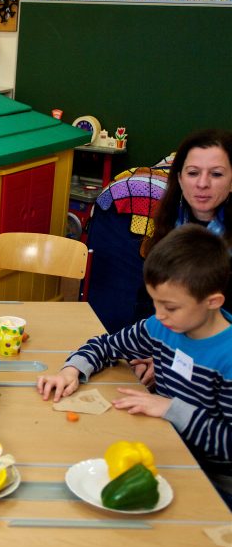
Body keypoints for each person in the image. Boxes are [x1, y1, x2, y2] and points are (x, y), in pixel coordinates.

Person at [37, 225, 232, 507]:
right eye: (155, 303)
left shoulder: (226, 356)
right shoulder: (162, 326)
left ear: (213, 301)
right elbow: (107, 345)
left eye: (171, 307)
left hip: (214, 483)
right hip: (165, 452)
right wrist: (72, 370)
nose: (159, 315)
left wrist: (169, 408)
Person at [131, 129, 232, 387]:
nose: (202, 184)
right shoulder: (167, 225)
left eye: (216, 174)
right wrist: (152, 352)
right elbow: (152, 302)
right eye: (193, 172)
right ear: (179, 177)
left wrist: (174, 357)